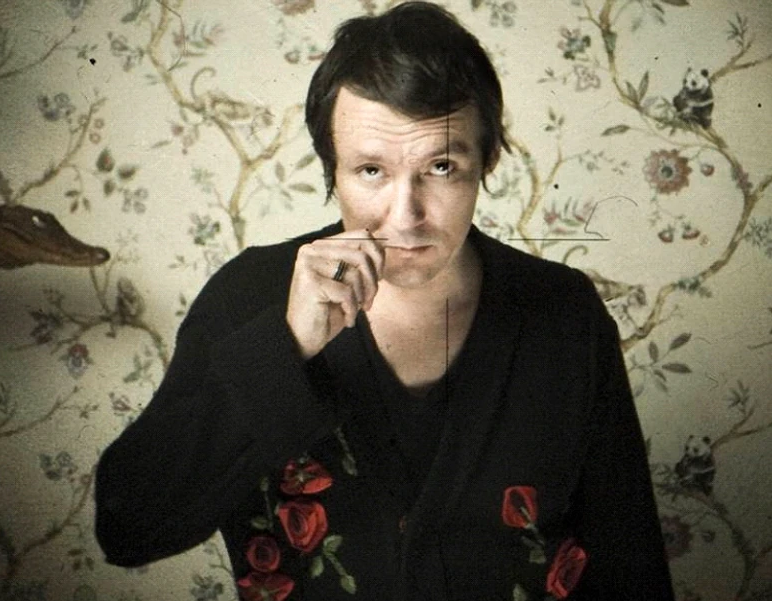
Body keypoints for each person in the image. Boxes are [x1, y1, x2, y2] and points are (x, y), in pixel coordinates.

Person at [94, 3, 676, 600]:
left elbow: (630, 565)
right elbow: (128, 528)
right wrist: (286, 347)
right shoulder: (248, 296)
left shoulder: (565, 312)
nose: (406, 217)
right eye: (371, 170)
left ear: (487, 162)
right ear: (333, 169)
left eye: (441, 167)